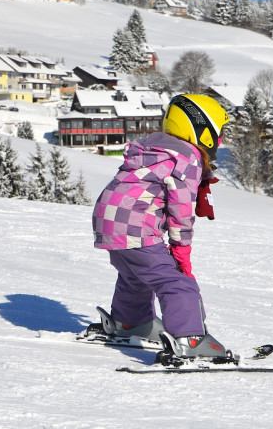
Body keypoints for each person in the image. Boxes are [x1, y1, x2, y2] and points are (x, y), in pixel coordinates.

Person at [92, 94, 230, 359]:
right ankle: (190, 340)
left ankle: (132, 323)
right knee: (177, 283)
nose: (220, 139)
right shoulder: (186, 156)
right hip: (135, 225)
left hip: (108, 220)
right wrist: (181, 247)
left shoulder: (153, 149)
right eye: (220, 132)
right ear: (204, 129)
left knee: (136, 276)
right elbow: (181, 206)